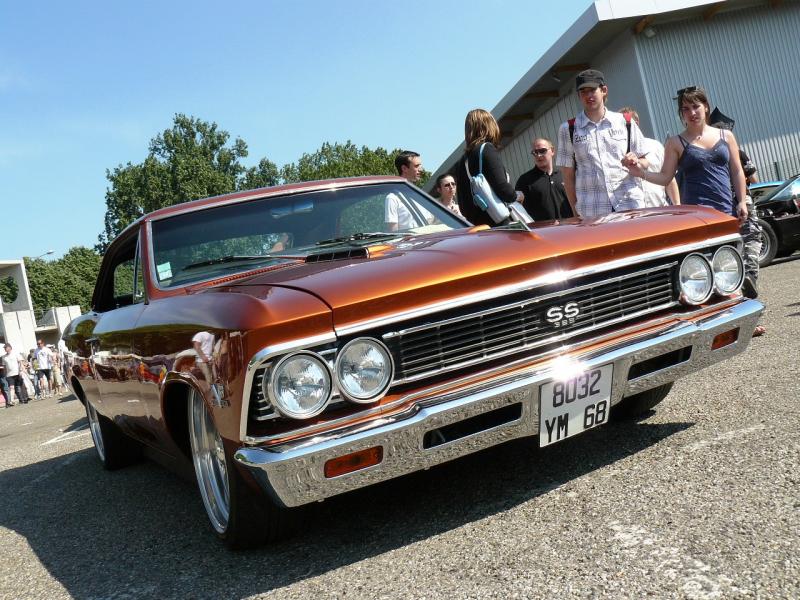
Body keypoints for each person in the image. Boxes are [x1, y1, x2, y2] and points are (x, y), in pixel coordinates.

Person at [556, 69, 650, 218]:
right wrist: (576, 213)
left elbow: (645, 161)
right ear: (579, 95)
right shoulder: (568, 129)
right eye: (583, 91)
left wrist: (636, 161)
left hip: (629, 205)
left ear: (604, 90)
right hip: (592, 211)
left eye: (592, 90)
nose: (588, 96)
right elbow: (568, 177)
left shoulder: (625, 122)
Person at [455, 108, 525, 227]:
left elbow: (462, 203)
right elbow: (502, 188)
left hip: (478, 227)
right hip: (499, 222)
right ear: (489, 126)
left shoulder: (462, 161)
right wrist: (517, 195)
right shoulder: (486, 149)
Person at [617, 106, 680, 207]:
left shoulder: (656, 146)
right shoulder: (617, 153)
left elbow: (670, 179)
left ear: (636, 123)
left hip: (660, 210)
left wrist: (677, 205)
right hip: (634, 214)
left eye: (627, 124)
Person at [514, 137, 574, 221]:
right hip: (541, 231)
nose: (538, 155)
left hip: (569, 228)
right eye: (535, 152)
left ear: (552, 151)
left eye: (542, 151)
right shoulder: (525, 181)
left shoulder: (564, 175)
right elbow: (518, 210)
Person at [385, 151, 434, 231]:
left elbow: (430, 223)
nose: (421, 169)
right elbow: (393, 232)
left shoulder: (421, 195)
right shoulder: (393, 198)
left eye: (420, 166)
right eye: (417, 166)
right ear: (404, 168)